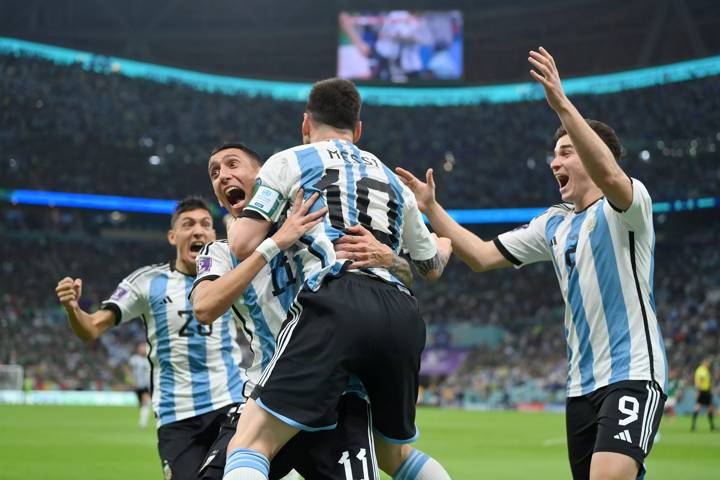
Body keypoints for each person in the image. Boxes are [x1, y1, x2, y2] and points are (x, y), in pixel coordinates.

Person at [395, 47, 668, 480]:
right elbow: (482, 256)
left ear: (593, 154)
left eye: (567, 151)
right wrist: (432, 210)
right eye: (554, 154)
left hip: (632, 373)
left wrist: (561, 102)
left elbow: (612, 177)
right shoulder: (554, 224)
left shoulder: (629, 209)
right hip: (580, 388)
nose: (555, 162)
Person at [218, 78, 453, 480]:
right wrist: (443, 241)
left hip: (335, 301)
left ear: (305, 123)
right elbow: (432, 265)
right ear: (358, 129)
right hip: (401, 314)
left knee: (251, 441)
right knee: (395, 457)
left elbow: (240, 243)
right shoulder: (394, 181)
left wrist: (282, 230)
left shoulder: (290, 161)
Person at [192, 142, 412, 480]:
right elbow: (204, 307)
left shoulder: (317, 230)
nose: (222, 176)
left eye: (232, 165)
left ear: (264, 176)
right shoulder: (219, 252)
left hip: (334, 396)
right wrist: (274, 243)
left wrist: (392, 259)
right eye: (214, 173)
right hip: (267, 393)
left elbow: (396, 276)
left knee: (399, 455)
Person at [55, 197, 245, 480]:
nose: (198, 230)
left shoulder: (233, 274)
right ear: (172, 236)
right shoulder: (147, 282)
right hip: (176, 416)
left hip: (231, 402)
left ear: (214, 235)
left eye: (206, 224)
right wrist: (73, 309)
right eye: (188, 224)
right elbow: (92, 328)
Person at [128, 342, 152, 428]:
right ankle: (143, 420)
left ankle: (142, 423)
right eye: (141, 347)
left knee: (145, 401)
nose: (143, 349)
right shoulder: (134, 359)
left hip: (147, 384)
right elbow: (129, 370)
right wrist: (131, 380)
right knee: (141, 404)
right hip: (138, 384)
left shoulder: (149, 359)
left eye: (144, 347)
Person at [691, 358, 715, 431]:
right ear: (703, 362)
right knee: (699, 407)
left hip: (705, 391)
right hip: (703, 391)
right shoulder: (702, 370)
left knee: (709, 407)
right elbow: (701, 380)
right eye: (707, 362)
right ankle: (694, 426)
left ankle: (711, 426)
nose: (708, 364)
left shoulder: (702, 369)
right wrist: (698, 391)